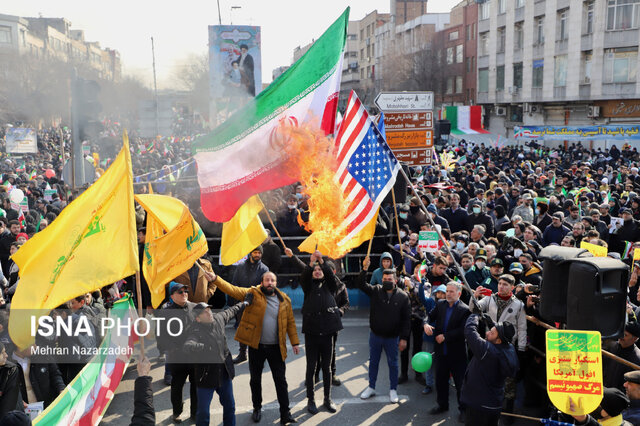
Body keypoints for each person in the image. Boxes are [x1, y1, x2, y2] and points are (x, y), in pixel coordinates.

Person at [208, 269, 299, 425]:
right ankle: (257, 408)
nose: (270, 283)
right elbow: (233, 290)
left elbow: (290, 322)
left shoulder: (284, 300)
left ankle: (285, 413)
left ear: (276, 283)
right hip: (257, 347)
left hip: (277, 348)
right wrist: (216, 279)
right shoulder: (253, 293)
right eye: (267, 280)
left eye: (273, 280)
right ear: (262, 282)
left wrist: (295, 342)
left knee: (281, 381)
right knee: (255, 380)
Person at [184, 299, 251, 426]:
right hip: (206, 377)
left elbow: (232, 310)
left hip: (224, 373)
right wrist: (201, 347)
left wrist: (245, 303)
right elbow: (188, 345)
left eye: (209, 309)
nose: (209, 313)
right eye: (204, 312)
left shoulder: (218, 319)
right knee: (203, 413)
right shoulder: (194, 330)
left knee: (230, 406)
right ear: (198, 319)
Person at [358, 256, 410, 404]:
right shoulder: (375, 291)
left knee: (393, 364)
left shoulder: (403, 297)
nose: (387, 280)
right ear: (382, 279)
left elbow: (406, 320)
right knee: (373, 362)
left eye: (390, 278)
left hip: (393, 338)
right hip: (375, 336)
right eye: (385, 278)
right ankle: (371, 387)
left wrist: (404, 338)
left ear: (395, 280)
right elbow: (360, 284)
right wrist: (364, 269)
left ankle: (393, 390)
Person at [299, 251, 342, 415]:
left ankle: (327, 398)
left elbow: (332, 278)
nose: (317, 271)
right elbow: (304, 278)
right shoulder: (308, 286)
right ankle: (311, 400)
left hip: (328, 331)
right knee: (311, 367)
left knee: (327, 367)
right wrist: (311, 263)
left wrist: (322, 262)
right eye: (315, 270)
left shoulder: (330, 285)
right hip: (311, 332)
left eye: (320, 270)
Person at [424, 281, 471, 421]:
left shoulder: (465, 309)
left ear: (459, 293)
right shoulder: (440, 304)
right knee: (441, 380)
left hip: (457, 353)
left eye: (452, 292)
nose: (448, 294)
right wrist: (426, 323)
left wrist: (445, 336)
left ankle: (463, 410)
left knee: (460, 384)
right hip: (441, 352)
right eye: (447, 291)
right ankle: (442, 405)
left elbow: (463, 330)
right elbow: (429, 316)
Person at [460, 315, 518, 426]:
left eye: (491, 333)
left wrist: (474, 315)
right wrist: (491, 323)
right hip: (494, 404)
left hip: (478, 405)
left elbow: (469, 331)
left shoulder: (488, 351)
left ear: (499, 340)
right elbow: (500, 335)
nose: (487, 333)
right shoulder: (509, 348)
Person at [157, 281, 198, 423]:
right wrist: (172, 348)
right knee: (177, 386)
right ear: (172, 296)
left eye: (186, 291)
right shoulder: (165, 312)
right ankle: (177, 412)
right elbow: (161, 335)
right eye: (180, 292)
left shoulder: (194, 307)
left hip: (194, 356)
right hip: (177, 357)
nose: (184, 294)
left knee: (196, 386)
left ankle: (195, 412)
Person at [231, 246, 269, 364]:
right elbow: (234, 284)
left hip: (257, 304)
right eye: (255, 252)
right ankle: (242, 354)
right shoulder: (241, 267)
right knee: (242, 330)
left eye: (259, 253)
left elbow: (265, 286)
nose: (257, 255)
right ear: (250, 253)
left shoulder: (264, 269)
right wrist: (238, 300)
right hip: (242, 303)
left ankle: (258, 356)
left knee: (258, 331)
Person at [604, 322, 640, 391]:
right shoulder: (610, 347)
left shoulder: (637, 359)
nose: (621, 337)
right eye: (621, 333)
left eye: (625, 335)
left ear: (634, 339)